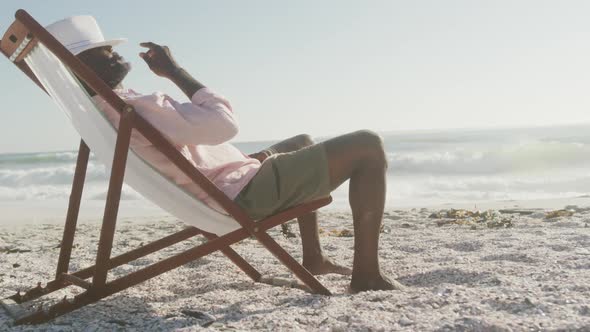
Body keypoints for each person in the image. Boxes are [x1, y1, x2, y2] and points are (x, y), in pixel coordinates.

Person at [46, 16, 402, 292]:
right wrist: (175, 72)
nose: (117, 54)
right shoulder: (135, 107)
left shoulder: (103, 111)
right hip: (239, 195)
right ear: (86, 66)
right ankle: (367, 274)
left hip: (219, 185)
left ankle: (314, 258)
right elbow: (225, 125)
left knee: (303, 140)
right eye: (105, 52)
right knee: (368, 145)